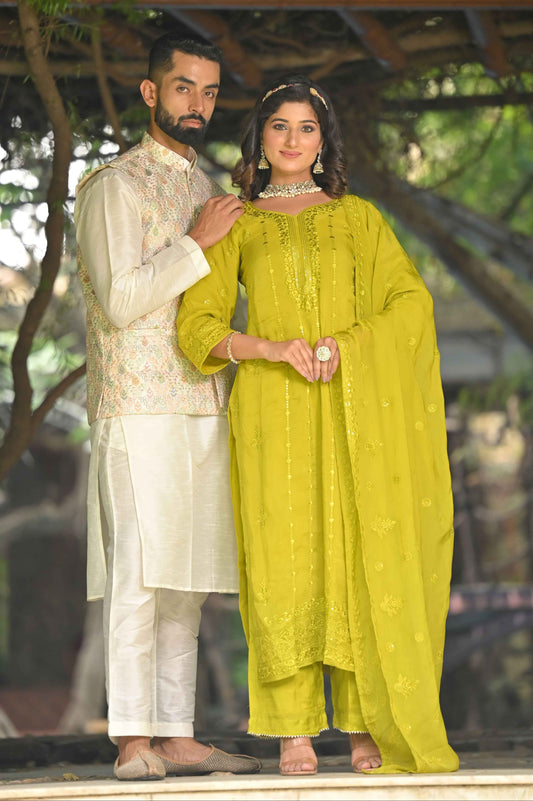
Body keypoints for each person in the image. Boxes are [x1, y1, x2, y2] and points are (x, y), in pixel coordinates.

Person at [177, 75, 460, 776]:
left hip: (351, 406)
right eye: (280, 126)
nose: (292, 139)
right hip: (271, 410)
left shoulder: (358, 219)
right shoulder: (236, 221)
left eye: (307, 128)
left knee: (356, 554)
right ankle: (292, 729)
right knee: (283, 560)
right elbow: (198, 326)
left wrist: (347, 344)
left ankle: (364, 720)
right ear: (260, 138)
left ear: (323, 142)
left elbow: (409, 302)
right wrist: (271, 348)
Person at [75, 32, 261, 781]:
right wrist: (197, 241)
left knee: (187, 575)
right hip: (136, 404)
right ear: (151, 92)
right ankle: (131, 738)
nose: (198, 104)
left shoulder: (203, 187)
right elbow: (121, 300)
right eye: (184, 87)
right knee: (140, 573)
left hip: (203, 400)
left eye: (209, 92)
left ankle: (177, 733)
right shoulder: (112, 186)